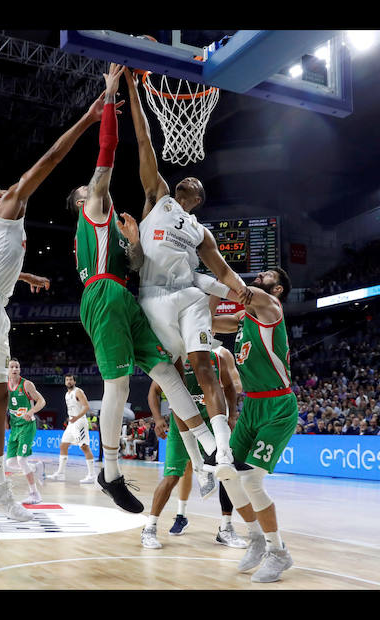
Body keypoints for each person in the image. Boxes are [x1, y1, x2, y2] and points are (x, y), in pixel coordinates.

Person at [0, 83, 107, 547]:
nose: (9, 188)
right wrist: (89, 118)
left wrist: (24, 277)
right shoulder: (2, 207)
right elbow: (51, 159)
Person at [64, 63, 217, 512]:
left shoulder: (109, 226)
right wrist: (111, 95)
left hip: (123, 294)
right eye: (88, 188)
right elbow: (108, 149)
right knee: (116, 387)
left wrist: (133, 246)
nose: (97, 187)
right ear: (81, 200)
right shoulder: (92, 205)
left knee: (166, 370)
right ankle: (110, 472)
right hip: (102, 295)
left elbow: (130, 264)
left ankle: (208, 444)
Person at [123, 66, 253, 480]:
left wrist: (242, 289)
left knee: (204, 365)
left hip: (189, 296)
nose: (190, 181)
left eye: (197, 184)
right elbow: (145, 140)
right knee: (172, 377)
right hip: (153, 297)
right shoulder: (157, 197)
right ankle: (200, 458)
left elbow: (221, 268)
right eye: (187, 179)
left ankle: (222, 453)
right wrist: (131, 87)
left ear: (197, 198)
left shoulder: (201, 230)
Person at [209, 268, 296, 583]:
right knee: (226, 473)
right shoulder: (243, 320)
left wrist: (209, 273)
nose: (260, 276)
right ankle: (257, 538)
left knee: (252, 480)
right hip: (252, 407)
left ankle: (279, 552)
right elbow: (208, 323)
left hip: (277, 405)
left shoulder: (271, 310)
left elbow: (239, 290)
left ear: (279, 289)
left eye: (267, 275)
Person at [141, 342, 247, 550]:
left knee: (227, 474)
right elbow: (153, 391)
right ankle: (150, 528)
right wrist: (157, 419)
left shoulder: (217, 359)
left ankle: (226, 528)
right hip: (181, 424)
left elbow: (231, 387)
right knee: (172, 477)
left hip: (210, 422)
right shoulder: (175, 359)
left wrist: (233, 414)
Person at [4, 358, 46, 504]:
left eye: (17, 366)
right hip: (15, 427)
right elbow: (4, 406)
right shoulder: (5, 386)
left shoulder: (27, 384)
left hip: (27, 426)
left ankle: (35, 494)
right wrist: (5, 422)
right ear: (7, 370)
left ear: (19, 369)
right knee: (10, 462)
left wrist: (32, 411)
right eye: (12, 367)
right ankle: (36, 467)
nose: (14, 369)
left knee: (22, 460)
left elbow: (42, 401)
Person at [46, 374, 97, 484]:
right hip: (72, 423)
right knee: (63, 445)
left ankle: (92, 475)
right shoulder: (66, 394)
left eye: (71, 380)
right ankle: (60, 473)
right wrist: (71, 419)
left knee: (84, 447)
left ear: (74, 381)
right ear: (65, 382)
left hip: (79, 422)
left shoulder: (78, 392)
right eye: (67, 380)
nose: (69, 381)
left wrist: (76, 417)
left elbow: (86, 406)